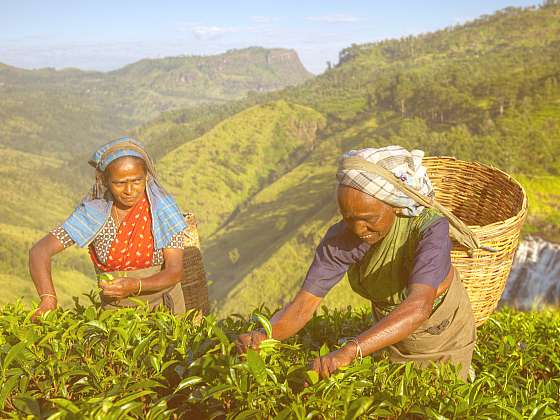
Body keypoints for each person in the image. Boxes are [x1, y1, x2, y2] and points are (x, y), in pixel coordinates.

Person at [237, 146, 477, 380]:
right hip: (391, 328)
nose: (358, 229)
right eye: (348, 218)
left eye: (368, 219)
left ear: (394, 205)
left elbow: (418, 306)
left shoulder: (430, 229)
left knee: (443, 390)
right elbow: (302, 307)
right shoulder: (340, 240)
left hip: (442, 329)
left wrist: (349, 352)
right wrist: (263, 335)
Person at [29, 137, 188, 319]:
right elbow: (39, 251)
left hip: (165, 310)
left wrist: (136, 285)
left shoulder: (162, 210)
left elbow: (174, 272)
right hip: (115, 316)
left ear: (147, 177)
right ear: (105, 180)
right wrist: (48, 299)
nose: (129, 190)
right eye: (119, 183)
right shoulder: (94, 213)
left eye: (137, 181)